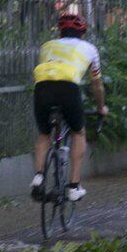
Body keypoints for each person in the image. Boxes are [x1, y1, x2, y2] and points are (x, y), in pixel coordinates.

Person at [30, 12, 107, 203]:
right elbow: (96, 84)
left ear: (60, 32)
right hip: (68, 89)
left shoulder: (47, 46)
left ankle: (38, 176)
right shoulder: (90, 49)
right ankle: (74, 186)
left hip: (42, 88)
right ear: (83, 33)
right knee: (78, 133)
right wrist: (101, 107)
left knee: (44, 134)